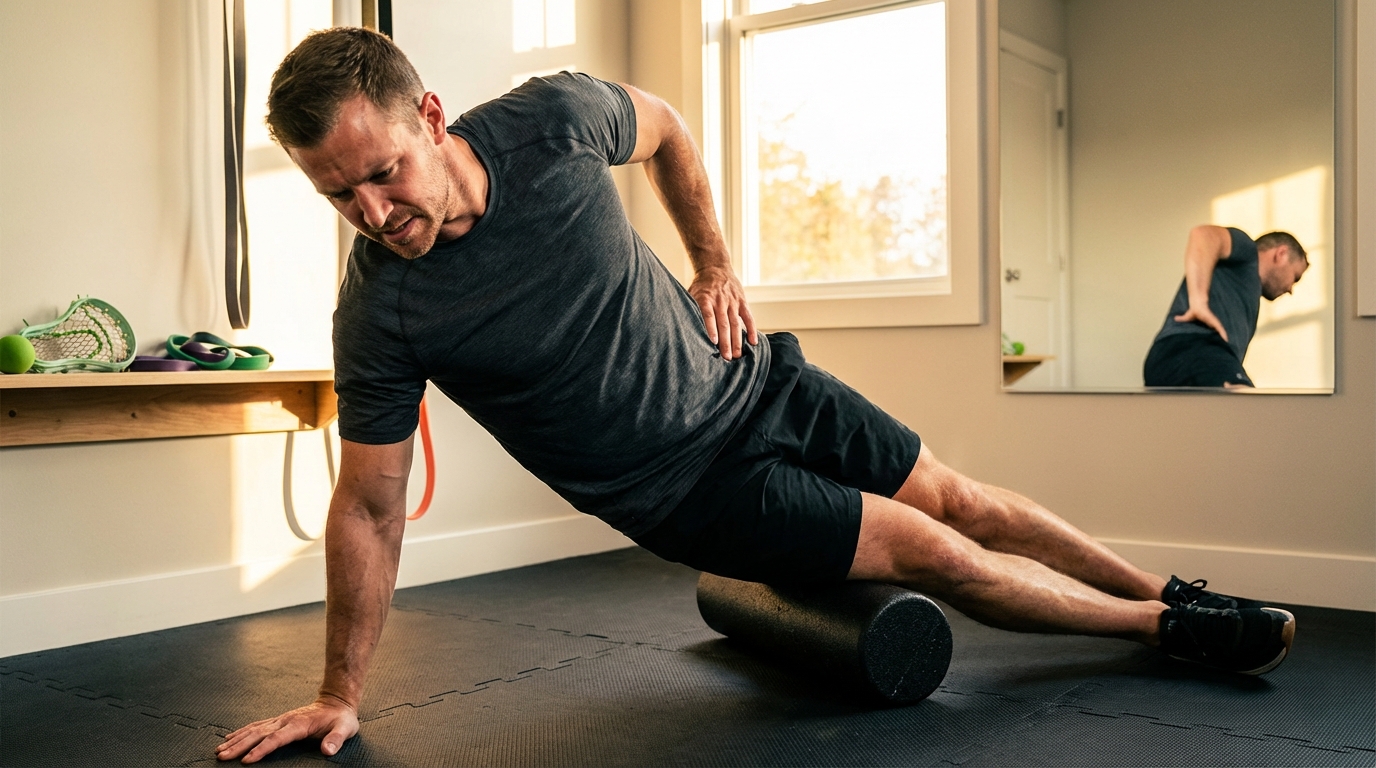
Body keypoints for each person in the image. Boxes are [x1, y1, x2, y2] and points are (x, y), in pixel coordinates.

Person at [216, 28, 1296, 764]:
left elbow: (670, 129)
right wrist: (340, 693)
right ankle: (1162, 629)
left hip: (756, 379)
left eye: (382, 172)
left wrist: (715, 266)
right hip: (684, 491)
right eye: (336, 194)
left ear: (432, 118)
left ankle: (1175, 587)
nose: (369, 210)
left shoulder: (549, 123)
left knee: (964, 498)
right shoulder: (382, 315)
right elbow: (366, 506)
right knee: (936, 550)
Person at [1144, 225, 1308, 388]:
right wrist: (1199, 302)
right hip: (1194, 349)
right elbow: (1203, 235)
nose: (1290, 289)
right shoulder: (1248, 252)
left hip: (1170, 358)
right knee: (1250, 408)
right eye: (1295, 277)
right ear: (1281, 254)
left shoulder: (1245, 290)